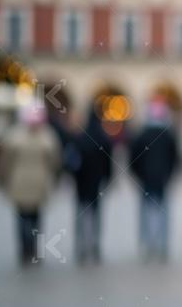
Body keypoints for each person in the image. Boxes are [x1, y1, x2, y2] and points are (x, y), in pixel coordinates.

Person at [0, 101, 61, 267]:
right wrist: (55, 177)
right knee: (36, 218)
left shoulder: (13, 135)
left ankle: (25, 250)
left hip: (19, 183)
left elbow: (4, 162)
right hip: (39, 183)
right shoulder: (47, 135)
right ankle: (35, 251)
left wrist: (1, 179)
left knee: (22, 217)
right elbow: (55, 161)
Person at [129, 97, 180, 263]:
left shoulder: (142, 134)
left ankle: (147, 244)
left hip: (145, 181)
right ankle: (162, 245)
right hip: (162, 181)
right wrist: (169, 175)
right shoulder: (168, 135)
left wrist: (139, 176)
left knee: (145, 213)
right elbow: (175, 158)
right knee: (163, 213)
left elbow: (133, 159)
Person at [72, 103, 114, 265]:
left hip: (81, 184)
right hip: (96, 183)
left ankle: (81, 246)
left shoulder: (80, 136)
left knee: (81, 215)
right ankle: (95, 245)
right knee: (96, 215)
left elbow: (72, 160)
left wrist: (74, 176)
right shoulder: (103, 137)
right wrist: (107, 178)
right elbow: (108, 162)